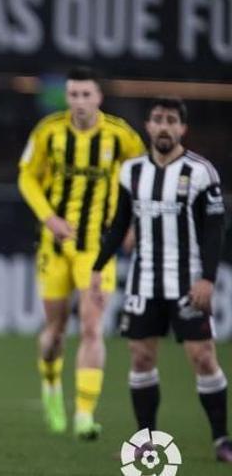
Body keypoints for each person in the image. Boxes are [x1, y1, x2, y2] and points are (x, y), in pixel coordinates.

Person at [90, 97, 232, 462]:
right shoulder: (132, 171)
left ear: (182, 128)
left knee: (202, 357)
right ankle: (146, 441)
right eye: (158, 119)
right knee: (140, 357)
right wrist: (97, 267)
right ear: (149, 127)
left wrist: (208, 279)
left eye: (171, 120)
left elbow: (215, 230)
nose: (164, 126)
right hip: (144, 280)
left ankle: (221, 439)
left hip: (187, 281)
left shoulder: (201, 172)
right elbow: (120, 224)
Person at [18, 67, 145, 439]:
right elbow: (26, 175)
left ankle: (85, 415)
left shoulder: (121, 136)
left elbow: (142, 178)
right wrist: (48, 217)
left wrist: (133, 224)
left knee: (92, 327)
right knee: (55, 332)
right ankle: (51, 385)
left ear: (99, 97)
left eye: (86, 95)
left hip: (97, 250)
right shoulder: (49, 131)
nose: (79, 102)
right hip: (55, 247)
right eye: (73, 95)